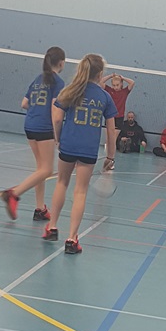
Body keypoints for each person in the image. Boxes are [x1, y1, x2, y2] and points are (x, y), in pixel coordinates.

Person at [42, 54, 117, 254]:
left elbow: (57, 119)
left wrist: (58, 138)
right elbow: (111, 131)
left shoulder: (70, 91)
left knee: (61, 183)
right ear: (100, 74)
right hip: (88, 149)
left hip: (68, 144)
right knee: (80, 191)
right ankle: (71, 239)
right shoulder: (105, 97)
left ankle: (52, 227)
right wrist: (110, 156)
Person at [1, 46, 66, 221]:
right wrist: (58, 136)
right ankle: (14, 194)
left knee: (40, 169)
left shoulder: (38, 79)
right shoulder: (58, 82)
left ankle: (40, 209)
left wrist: (36, 110)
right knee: (47, 170)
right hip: (44, 128)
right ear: (61, 63)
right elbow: (55, 112)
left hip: (30, 125)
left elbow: (24, 103)